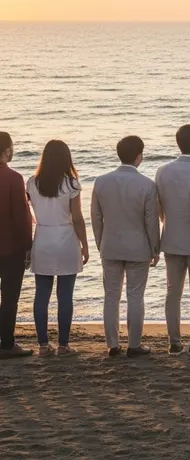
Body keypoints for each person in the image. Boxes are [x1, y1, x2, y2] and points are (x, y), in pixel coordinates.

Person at [91, 136, 160, 358]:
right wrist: (155, 248)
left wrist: (101, 242)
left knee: (111, 296)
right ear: (139, 156)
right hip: (138, 247)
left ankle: (112, 344)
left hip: (110, 245)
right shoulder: (147, 185)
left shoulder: (101, 182)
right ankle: (134, 344)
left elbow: (96, 218)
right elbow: (151, 222)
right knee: (135, 295)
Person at [27, 140, 90, 356]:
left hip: (43, 239)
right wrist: (85, 245)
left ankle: (43, 345)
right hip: (65, 240)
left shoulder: (32, 183)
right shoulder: (71, 184)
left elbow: (31, 213)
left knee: (41, 294)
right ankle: (63, 345)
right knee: (65, 295)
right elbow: (78, 219)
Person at [155, 124, 190, 356]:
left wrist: (166, 221)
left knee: (173, 292)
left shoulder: (163, 171)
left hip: (172, 238)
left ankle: (174, 341)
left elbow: (159, 207)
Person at [0, 132, 33, 359]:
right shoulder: (13, 178)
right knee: (9, 297)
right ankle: (7, 344)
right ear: (7, 151)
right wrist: (28, 246)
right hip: (9, 248)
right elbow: (21, 217)